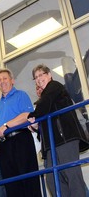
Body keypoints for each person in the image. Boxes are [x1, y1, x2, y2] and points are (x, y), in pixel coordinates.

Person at [27, 64, 89, 197]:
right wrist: (36, 126)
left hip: (65, 138)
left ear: (49, 75)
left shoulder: (54, 86)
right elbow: (44, 118)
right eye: (36, 77)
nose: (39, 79)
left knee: (72, 175)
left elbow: (46, 103)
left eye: (41, 75)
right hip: (51, 144)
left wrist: (33, 116)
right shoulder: (42, 101)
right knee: (52, 179)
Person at [0, 68, 42, 197]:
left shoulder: (21, 95)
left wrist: (6, 126)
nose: (2, 82)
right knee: (11, 185)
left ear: (12, 80)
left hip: (21, 140)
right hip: (5, 146)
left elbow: (26, 115)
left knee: (29, 182)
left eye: (5, 78)